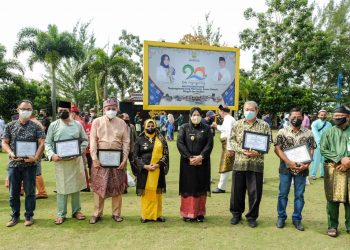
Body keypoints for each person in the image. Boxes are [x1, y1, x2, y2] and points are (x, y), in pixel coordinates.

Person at [227, 101, 271, 228]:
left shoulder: (264, 125)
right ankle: (236, 214)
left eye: (252, 109)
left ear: (257, 111)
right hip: (240, 162)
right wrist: (242, 150)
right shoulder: (237, 124)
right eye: (246, 109)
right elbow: (231, 140)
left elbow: (268, 143)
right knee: (237, 191)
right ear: (243, 110)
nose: (249, 111)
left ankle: (252, 217)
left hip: (256, 164)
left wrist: (259, 151)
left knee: (255, 193)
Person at [2, 100, 45, 227]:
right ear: (18, 109)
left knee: (30, 192)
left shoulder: (37, 126)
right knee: (13, 193)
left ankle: (29, 216)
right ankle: (14, 216)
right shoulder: (10, 125)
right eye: (23, 108)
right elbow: (4, 142)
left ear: (32, 111)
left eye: (29, 109)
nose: (26, 111)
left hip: (30, 165)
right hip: (14, 164)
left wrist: (36, 157)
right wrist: (10, 153)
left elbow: (42, 143)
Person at [45, 100, 88, 225]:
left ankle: (76, 211)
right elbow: (48, 143)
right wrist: (52, 155)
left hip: (75, 161)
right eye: (60, 111)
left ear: (70, 112)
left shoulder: (77, 125)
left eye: (65, 111)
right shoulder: (53, 125)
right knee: (61, 188)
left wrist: (78, 151)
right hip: (60, 162)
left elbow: (85, 140)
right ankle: (61, 213)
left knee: (76, 187)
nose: (62, 113)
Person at [274, 107, 316, 231]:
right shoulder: (282, 132)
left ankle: (297, 218)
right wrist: (289, 162)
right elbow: (277, 149)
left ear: (303, 118)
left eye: (298, 117)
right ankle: (281, 217)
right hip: (285, 168)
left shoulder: (308, 133)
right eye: (293, 117)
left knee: (299, 195)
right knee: (283, 194)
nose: (296, 119)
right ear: (289, 117)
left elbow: (312, 149)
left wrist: (307, 164)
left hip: (302, 169)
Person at [89, 98, 130, 224]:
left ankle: (116, 213)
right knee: (99, 187)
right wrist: (94, 159)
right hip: (100, 161)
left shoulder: (122, 123)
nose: (111, 111)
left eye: (113, 108)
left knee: (117, 188)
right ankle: (97, 213)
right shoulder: (96, 122)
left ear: (117, 109)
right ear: (103, 110)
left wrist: (124, 159)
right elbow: (93, 141)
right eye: (108, 108)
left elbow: (126, 142)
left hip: (117, 161)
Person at [177, 107, 213, 222]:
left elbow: (209, 144)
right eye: (193, 115)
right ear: (190, 116)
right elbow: (180, 143)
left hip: (203, 163)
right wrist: (189, 157)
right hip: (187, 164)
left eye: (198, 115)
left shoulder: (207, 129)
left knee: (201, 186)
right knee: (189, 187)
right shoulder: (184, 128)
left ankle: (200, 213)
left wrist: (201, 156)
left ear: (201, 116)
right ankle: (187, 213)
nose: (195, 117)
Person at [320, 105, 350, 237]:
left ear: (348, 117)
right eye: (335, 116)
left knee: (349, 199)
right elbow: (323, 149)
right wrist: (339, 159)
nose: (336, 118)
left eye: (339, 116)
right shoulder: (329, 131)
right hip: (333, 169)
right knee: (332, 199)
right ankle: (332, 226)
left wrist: (348, 162)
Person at [134, 119, 169, 223]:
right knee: (146, 194)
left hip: (158, 170)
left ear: (155, 126)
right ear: (144, 127)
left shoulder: (161, 139)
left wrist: (158, 164)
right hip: (145, 171)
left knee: (157, 194)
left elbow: (165, 155)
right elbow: (135, 156)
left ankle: (158, 215)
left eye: (152, 125)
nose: (150, 127)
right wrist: (145, 166)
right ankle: (145, 215)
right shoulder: (139, 139)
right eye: (148, 125)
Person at [211, 105, 236, 193]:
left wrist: (230, 148)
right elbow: (225, 130)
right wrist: (217, 126)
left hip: (228, 146)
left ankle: (221, 187)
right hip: (227, 145)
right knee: (228, 165)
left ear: (222, 111)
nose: (219, 114)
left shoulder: (229, 119)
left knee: (225, 166)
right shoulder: (228, 119)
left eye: (219, 112)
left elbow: (229, 133)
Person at [30, 111, 48, 199]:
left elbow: (41, 141)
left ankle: (42, 192)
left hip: (35, 151)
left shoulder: (34, 123)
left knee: (37, 171)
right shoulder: (38, 122)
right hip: (37, 150)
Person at [310, 110, 332, 179]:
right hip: (317, 144)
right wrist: (320, 142)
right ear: (318, 115)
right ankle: (313, 174)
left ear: (326, 115)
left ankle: (323, 174)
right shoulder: (315, 123)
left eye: (324, 115)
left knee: (324, 159)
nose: (323, 116)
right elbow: (315, 133)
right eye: (321, 115)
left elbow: (330, 134)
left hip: (326, 144)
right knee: (316, 159)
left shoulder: (329, 124)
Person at [120, 112, 137, 188]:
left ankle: (138, 179)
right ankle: (124, 183)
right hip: (122, 151)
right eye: (125, 118)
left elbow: (135, 138)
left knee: (135, 165)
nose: (127, 119)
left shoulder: (132, 127)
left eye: (128, 118)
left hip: (132, 150)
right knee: (123, 167)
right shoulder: (118, 127)